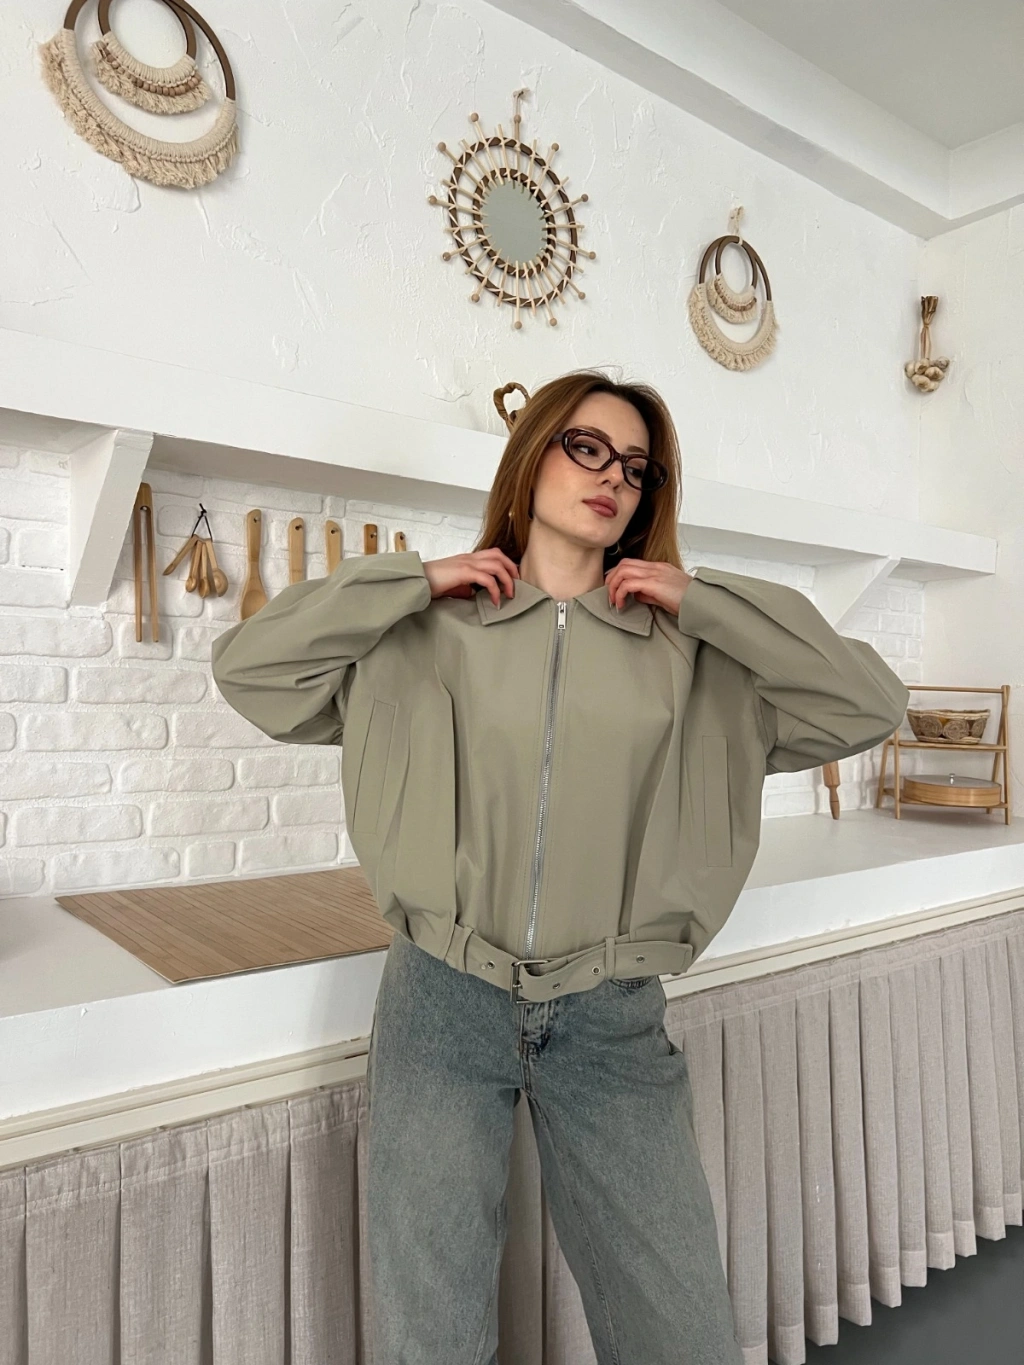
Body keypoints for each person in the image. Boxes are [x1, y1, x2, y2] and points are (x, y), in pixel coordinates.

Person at [211, 368, 909, 1365]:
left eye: (636, 466)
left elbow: (869, 704)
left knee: (680, 1331)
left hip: (609, 1014)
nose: (612, 476)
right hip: (441, 1002)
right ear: (531, 456)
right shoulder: (421, 633)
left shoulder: (692, 656)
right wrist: (414, 582)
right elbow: (250, 668)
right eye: (586, 447)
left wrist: (706, 600)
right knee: (431, 1333)